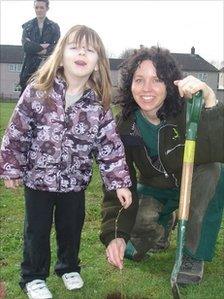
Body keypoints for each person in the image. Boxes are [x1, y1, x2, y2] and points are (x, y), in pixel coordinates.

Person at [0, 25, 132, 299]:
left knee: (71, 227)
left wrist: (119, 182)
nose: (82, 52)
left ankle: (68, 266)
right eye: (74, 47)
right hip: (39, 181)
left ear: (97, 64)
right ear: (60, 56)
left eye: (90, 49)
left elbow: (110, 145)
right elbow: (17, 131)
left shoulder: (98, 104)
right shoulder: (38, 92)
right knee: (36, 230)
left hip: (75, 182)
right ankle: (33, 276)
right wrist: (11, 167)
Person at [100, 47, 224, 286]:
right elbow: (118, 182)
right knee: (134, 243)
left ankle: (193, 254)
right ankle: (164, 224)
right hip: (155, 188)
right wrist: (115, 235)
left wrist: (210, 102)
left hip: (196, 184)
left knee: (215, 170)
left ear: (170, 85)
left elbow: (219, 148)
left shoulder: (188, 112)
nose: (147, 88)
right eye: (139, 80)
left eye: (157, 80)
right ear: (130, 86)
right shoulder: (125, 127)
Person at [19, 0, 60, 95]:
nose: (39, 10)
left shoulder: (54, 27)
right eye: (36, 7)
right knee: (25, 99)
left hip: (47, 67)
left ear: (47, 9)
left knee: (45, 98)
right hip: (29, 68)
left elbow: (57, 47)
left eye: (42, 7)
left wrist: (35, 47)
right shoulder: (27, 27)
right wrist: (43, 47)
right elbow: (26, 47)